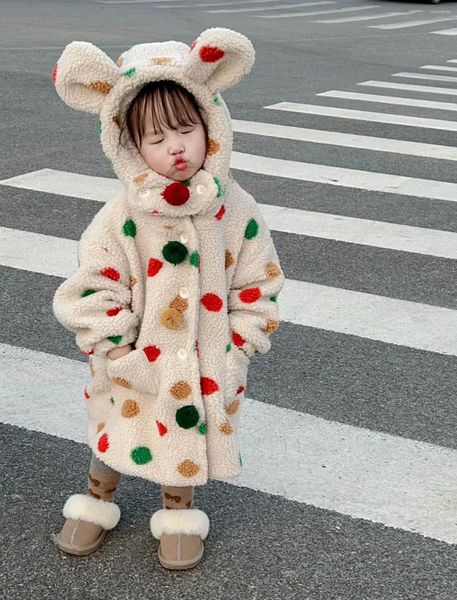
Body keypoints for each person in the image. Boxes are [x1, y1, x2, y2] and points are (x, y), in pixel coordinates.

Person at [51, 27, 285, 570]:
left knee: (187, 436)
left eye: (186, 128)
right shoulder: (122, 215)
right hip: (135, 357)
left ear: (212, 124)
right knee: (118, 432)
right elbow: (90, 284)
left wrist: (242, 342)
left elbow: (258, 280)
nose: (175, 147)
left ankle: (178, 513)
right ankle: (96, 498)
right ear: (131, 146)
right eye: (156, 139)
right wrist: (111, 346)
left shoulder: (236, 209)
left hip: (206, 358)